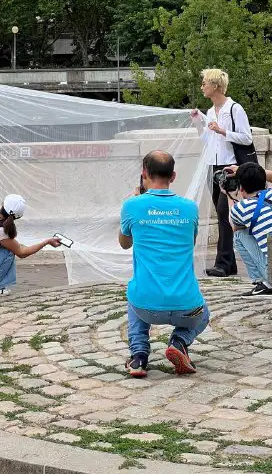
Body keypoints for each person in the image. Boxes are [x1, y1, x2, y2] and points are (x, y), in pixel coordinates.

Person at [119, 151, 209, 378]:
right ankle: (179, 341)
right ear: (174, 176)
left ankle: (139, 356)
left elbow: (124, 243)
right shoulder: (190, 207)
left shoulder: (132, 205)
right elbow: (190, 240)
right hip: (187, 307)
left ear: (144, 174)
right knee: (204, 313)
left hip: (146, 307)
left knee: (135, 291)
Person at [191, 68, 253, 278]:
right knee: (221, 215)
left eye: (204, 83)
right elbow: (208, 142)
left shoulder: (235, 109)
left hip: (230, 167)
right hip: (213, 166)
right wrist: (200, 125)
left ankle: (224, 263)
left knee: (224, 214)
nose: (202, 87)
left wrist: (223, 131)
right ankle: (228, 263)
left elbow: (246, 138)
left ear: (215, 86)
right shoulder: (210, 112)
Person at [226, 161, 272, 297]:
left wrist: (230, 196)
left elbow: (235, 227)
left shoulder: (242, 208)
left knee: (240, 235)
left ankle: (263, 283)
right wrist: (246, 171)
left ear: (241, 188)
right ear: (264, 181)